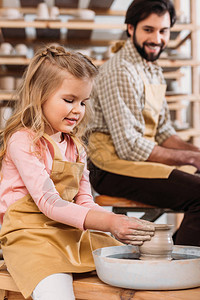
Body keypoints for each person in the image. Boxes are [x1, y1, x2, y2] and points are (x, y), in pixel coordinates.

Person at [0, 44, 155, 300]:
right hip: (28, 237)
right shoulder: (23, 141)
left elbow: (84, 201)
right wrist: (111, 222)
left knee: (127, 260)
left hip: (67, 230)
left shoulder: (76, 147)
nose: (78, 110)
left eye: (83, 102)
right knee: (56, 291)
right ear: (40, 95)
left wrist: (117, 227)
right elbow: (49, 203)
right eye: (69, 100)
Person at [87, 0, 200, 247]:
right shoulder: (120, 70)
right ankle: (179, 269)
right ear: (131, 28)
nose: (157, 38)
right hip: (109, 168)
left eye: (163, 31)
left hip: (136, 159)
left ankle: (171, 257)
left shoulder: (151, 70)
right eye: (148, 30)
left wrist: (196, 154)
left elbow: (163, 132)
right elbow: (129, 146)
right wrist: (190, 159)